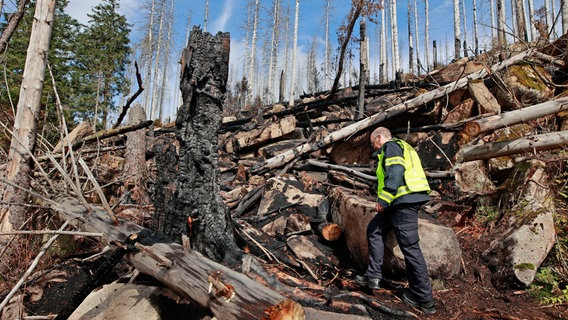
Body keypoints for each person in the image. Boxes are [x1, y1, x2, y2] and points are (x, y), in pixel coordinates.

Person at [355, 127, 436, 315]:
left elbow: (396, 172)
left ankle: (424, 299)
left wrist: (384, 198)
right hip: (398, 202)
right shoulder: (403, 146)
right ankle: (373, 276)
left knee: (411, 249)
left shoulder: (391, 147)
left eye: (373, 143)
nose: (373, 148)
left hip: (403, 201)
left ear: (379, 138)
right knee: (374, 228)